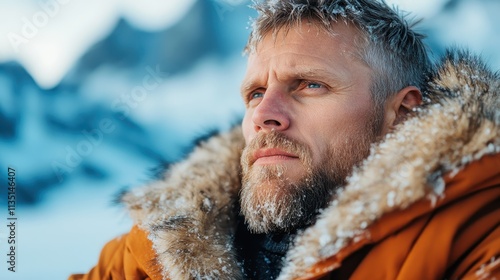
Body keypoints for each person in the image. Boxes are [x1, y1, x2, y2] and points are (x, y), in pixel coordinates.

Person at [70, 0, 500, 279]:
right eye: (255, 93)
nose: (263, 115)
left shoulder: (476, 235)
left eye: (309, 85)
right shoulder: (160, 247)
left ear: (402, 114)